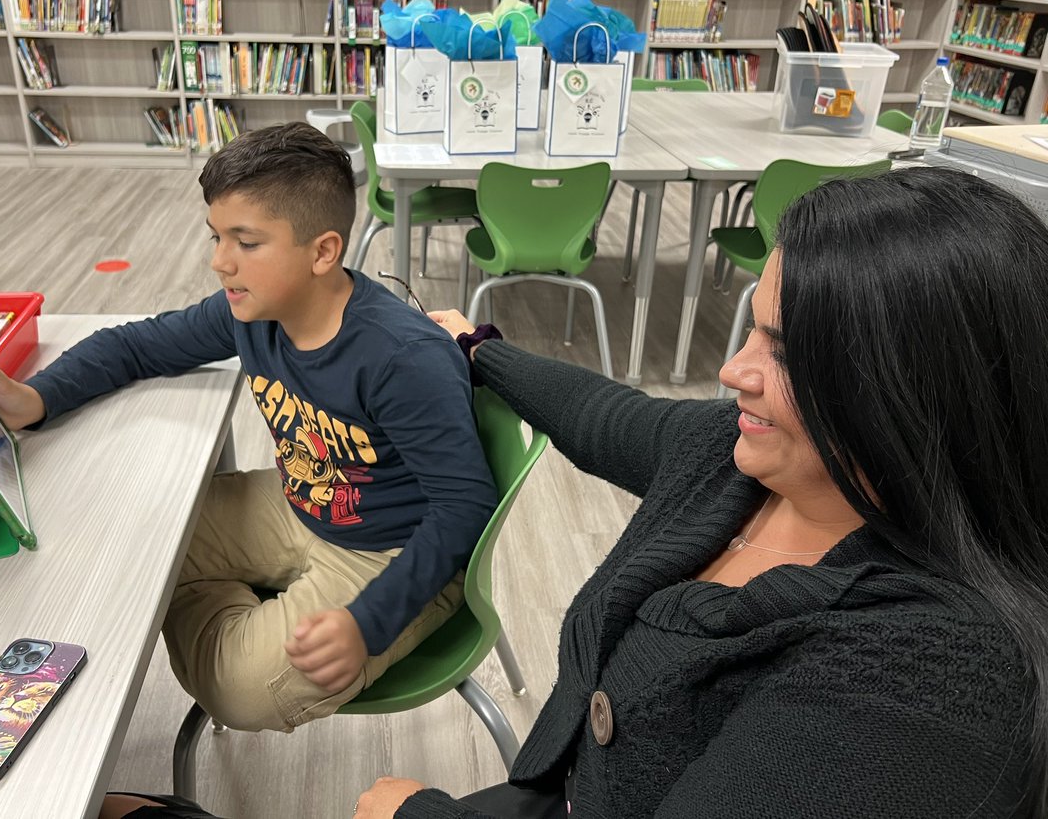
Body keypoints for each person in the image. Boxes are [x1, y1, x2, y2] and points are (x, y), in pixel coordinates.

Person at [353, 167, 1048, 818]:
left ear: (913, 397)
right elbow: (602, 415)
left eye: (788, 351)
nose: (732, 367)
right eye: (754, 326)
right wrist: (477, 348)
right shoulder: (739, 458)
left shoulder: (926, 681)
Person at [0, 123, 497, 818]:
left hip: (394, 551)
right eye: (216, 236)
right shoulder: (256, 311)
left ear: (323, 252)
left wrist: (368, 623)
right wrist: (36, 398)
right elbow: (139, 344)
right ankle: (239, 619)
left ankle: (242, 628)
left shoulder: (401, 358)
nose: (221, 261)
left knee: (239, 686)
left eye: (245, 242)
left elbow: (464, 506)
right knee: (132, 547)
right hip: (301, 507)